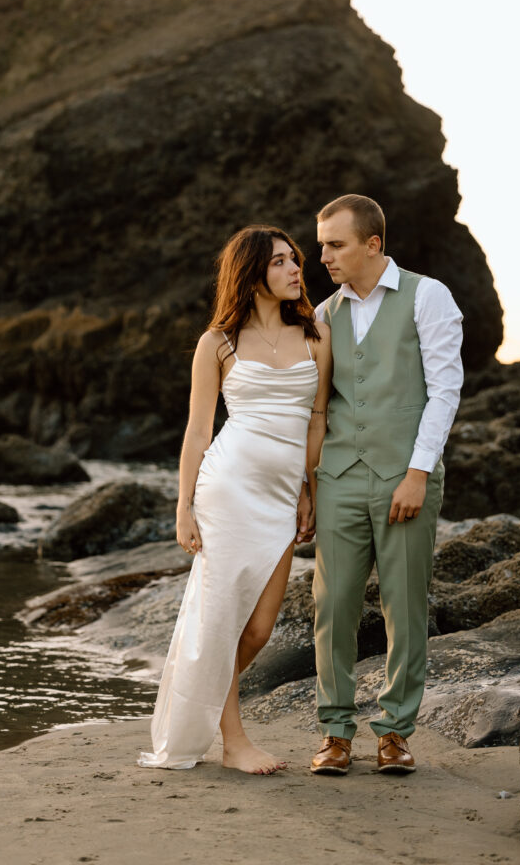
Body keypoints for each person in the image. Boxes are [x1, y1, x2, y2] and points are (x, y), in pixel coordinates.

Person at [138, 225, 331, 775]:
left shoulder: (316, 334)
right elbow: (199, 431)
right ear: (252, 274)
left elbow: (316, 421)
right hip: (226, 489)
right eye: (280, 263)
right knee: (222, 620)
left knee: (260, 628)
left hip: (279, 494)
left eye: (295, 260)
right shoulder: (217, 342)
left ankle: (200, 703)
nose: (296, 269)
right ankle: (234, 740)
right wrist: (184, 507)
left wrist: (307, 491)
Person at [308, 194, 463, 775]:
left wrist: (418, 472)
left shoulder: (428, 296)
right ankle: (335, 733)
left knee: (404, 608)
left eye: (335, 244)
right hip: (340, 477)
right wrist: (309, 487)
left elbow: (444, 390)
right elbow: (319, 408)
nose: (323, 256)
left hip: (407, 477)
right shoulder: (323, 315)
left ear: (373, 244)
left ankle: (395, 732)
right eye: (322, 244)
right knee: (333, 606)